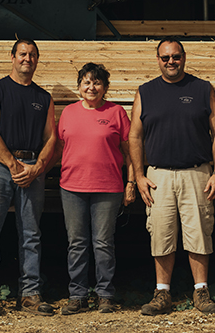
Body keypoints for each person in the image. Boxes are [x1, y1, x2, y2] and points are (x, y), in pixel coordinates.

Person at [129, 37, 215, 315]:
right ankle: (162, 293)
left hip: (197, 173)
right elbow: (134, 136)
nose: (171, 62)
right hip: (158, 175)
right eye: (165, 57)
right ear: (157, 60)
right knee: (161, 234)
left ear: (184, 57)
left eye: (176, 57)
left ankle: (201, 291)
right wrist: (139, 174)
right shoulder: (145, 92)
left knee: (199, 233)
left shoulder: (202, 89)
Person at [0, 38, 56, 317]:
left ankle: (30, 293)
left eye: (32, 55)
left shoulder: (43, 98)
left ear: (36, 60)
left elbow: (51, 137)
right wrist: (12, 164)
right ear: (12, 57)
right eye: (22, 54)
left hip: (32, 167)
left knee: (31, 233)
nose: (27, 59)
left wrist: (37, 166)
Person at [46, 62, 136, 315]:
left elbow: (131, 151)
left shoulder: (117, 112)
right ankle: (78, 295)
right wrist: (38, 172)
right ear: (79, 87)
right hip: (72, 187)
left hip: (108, 187)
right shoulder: (69, 113)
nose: (91, 87)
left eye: (97, 82)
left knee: (103, 242)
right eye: (86, 82)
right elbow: (58, 148)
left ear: (105, 88)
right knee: (77, 243)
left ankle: (105, 294)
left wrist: (131, 182)